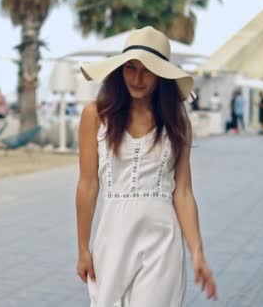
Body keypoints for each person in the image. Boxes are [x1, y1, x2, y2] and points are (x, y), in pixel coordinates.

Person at [76, 26, 217, 306]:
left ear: (161, 74)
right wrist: (83, 249)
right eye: (130, 68)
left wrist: (197, 252)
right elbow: (88, 185)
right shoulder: (96, 114)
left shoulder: (177, 122)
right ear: (120, 70)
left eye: (147, 70)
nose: (137, 78)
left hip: (162, 239)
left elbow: (183, 193)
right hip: (113, 238)